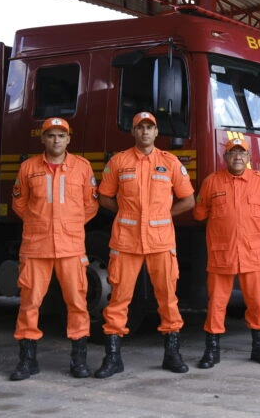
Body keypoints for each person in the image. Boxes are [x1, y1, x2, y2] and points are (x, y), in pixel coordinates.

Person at [94, 112, 195, 378]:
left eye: (149, 128)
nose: (145, 132)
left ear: (156, 132)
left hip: (161, 242)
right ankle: (113, 357)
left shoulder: (170, 162)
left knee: (168, 299)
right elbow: (104, 197)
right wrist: (127, 214)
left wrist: (160, 218)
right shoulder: (119, 161)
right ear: (133, 131)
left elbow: (188, 200)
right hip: (126, 241)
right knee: (118, 300)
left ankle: (172, 355)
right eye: (140, 128)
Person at [9, 117, 99, 380]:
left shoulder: (82, 167)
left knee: (77, 303)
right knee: (29, 304)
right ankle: (27, 361)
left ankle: (78, 361)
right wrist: (41, 223)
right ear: (42, 139)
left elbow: (90, 205)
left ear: (69, 139)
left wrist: (67, 226)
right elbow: (19, 204)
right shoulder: (28, 168)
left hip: (71, 247)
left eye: (61, 135)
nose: (56, 140)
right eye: (51, 135)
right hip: (36, 247)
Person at [193, 138, 260, 368]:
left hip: (252, 255)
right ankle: (212, 350)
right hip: (222, 253)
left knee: (256, 303)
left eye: (242, 153)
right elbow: (200, 213)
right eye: (233, 153)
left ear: (249, 158)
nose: (237, 157)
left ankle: (259, 347)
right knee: (217, 303)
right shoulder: (212, 182)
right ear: (225, 157)